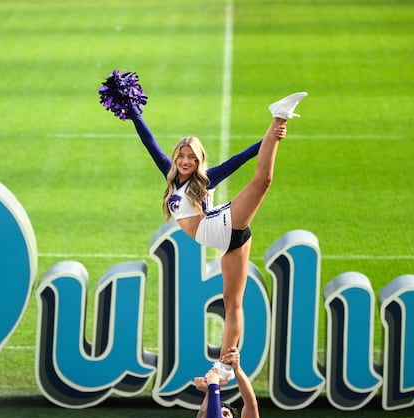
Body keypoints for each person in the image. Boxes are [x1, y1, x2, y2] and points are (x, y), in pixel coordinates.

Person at [127, 90, 307, 378]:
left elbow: (240, 159)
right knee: (233, 304)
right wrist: (133, 112)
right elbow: (149, 142)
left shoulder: (206, 180)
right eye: (181, 156)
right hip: (229, 242)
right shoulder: (170, 175)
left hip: (222, 226)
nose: (186, 161)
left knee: (264, 180)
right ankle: (224, 365)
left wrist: (272, 136)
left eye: (192, 158)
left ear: (199, 161)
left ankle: (279, 113)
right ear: (175, 158)